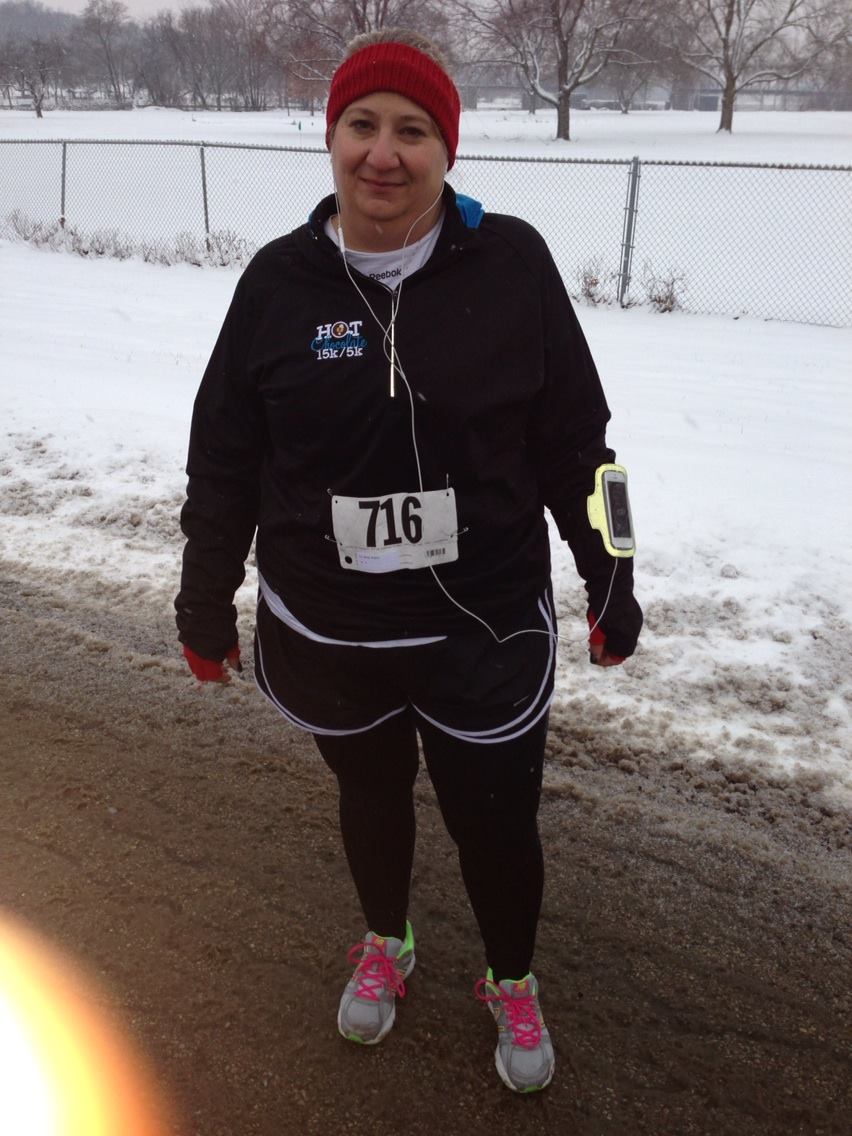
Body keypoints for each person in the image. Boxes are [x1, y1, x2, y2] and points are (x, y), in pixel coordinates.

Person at [175, 28, 642, 1095]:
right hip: (332, 626)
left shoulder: (513, 265)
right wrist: (204, 603)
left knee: (495, 819)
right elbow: (223, 463)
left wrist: (613, 576)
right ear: (332, 137)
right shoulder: (278, 284)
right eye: (362, 125)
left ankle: (512, 975)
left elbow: (582, 447)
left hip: (482, 624)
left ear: (448, 150)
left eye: (413, 131)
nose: (383, 154)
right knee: (371, 794)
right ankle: (387, 938)